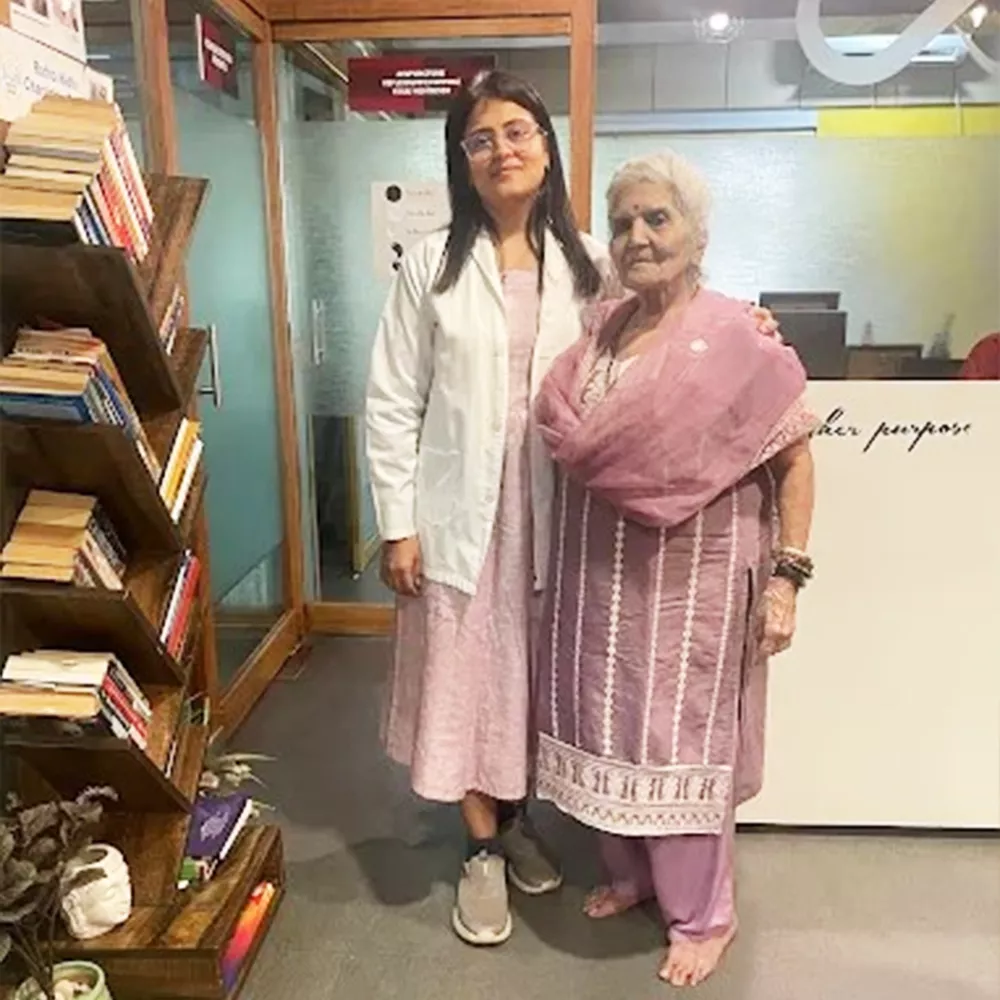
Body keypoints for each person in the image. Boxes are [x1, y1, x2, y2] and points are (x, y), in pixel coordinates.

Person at [366, 72, 782, 948]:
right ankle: (481, 848)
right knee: (466, 682)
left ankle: (519, 821)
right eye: (480, 139)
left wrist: (751, 328)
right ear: (463, 160)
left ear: (547, 148)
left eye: (518, 131)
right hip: (460, 518)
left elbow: (670, 326)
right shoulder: (433, 265)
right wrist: (397, 523)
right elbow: (393, 399)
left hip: (565, 518)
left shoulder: (593, 261)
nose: (502, 151)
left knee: (535, 683)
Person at [532, 151, 817, 987]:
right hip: (598, 581)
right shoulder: (600, 335)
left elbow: (796, 460)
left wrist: (787, 579)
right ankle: (632, 876)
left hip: (695, 588)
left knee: (680, 743)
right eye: (622, 222)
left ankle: (703, 916)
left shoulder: (737, 339)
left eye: (657, 218)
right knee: (607, 725)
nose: (638, 236)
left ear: (697, 234)